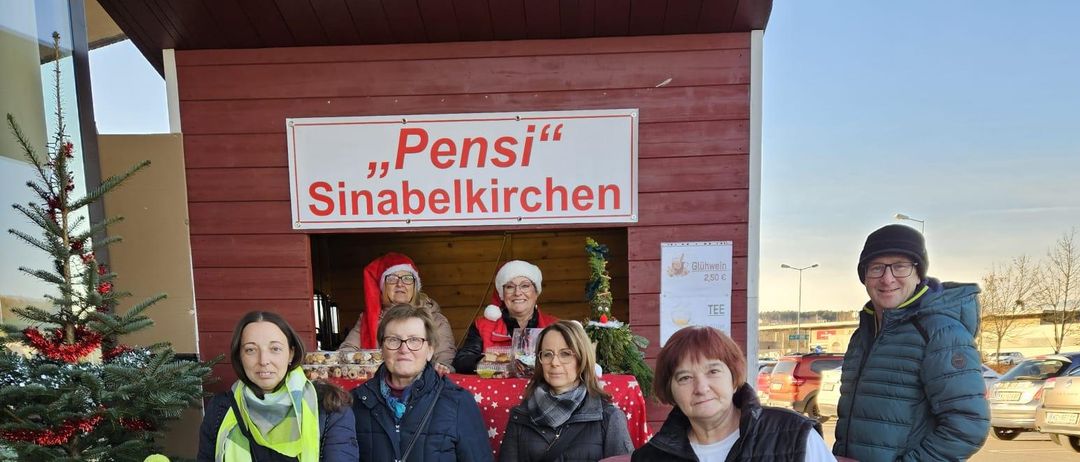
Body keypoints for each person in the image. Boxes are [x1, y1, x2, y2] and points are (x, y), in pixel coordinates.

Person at [834, 224, 989, 461]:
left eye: (900, 267)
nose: (887, 279)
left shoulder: (940, 333)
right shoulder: (863, 335)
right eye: (876, 268)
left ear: (918, 274)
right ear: (864, 276)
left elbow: (967, 426)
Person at [632, 326, 834, 462]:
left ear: (734, 377)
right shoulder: (651, 456)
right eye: (684, 377)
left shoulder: (794, 435)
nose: (701, 388)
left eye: (713, 371)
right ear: (670, 390)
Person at [197, 311, 358, 461]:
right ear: (240, 356)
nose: (263, 360)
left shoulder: (329, 406)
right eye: (251, 350)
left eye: (275, 349)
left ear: (291, 353)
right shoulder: (221, 409)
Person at [351, 303, 493, 462]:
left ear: (430, 350)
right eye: (393, 340)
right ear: (382, 349)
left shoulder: (459, 402)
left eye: (414, 340)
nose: (404, 349)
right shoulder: (355, 402)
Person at [499, 320, 633, 461]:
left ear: (582, 359)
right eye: (547, 354)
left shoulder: (609, 418)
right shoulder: (520, 416)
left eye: (565, 354)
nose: (555, 363)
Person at [339, 252, 456, 373]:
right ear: (382, 288)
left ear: (415, 286)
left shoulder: (435, 318)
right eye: (392, 279)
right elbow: (347, 351)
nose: (400, 284)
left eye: (407, 278)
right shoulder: (367, 319)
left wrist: (441, 367)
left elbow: (444, 357)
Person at [453, 260, 559, 374]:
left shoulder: (556, 326)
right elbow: (461, 362)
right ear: (502, 294)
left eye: (525, 286)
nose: (517, 293)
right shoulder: (483, 325)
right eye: (510, 287)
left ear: (536, 292)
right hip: (495, 390)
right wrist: (487, 361)